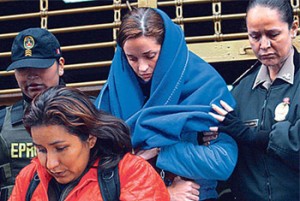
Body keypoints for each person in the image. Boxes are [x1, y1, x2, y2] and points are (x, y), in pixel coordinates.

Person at [95, 7, 238, 201]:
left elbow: (222, 162)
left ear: (168, 49)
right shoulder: (112, 95)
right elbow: (96, 167)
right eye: (132, 58)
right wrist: (163, 193)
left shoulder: (206, 87)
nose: (142, 67)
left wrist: (160, 150)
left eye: (150, 56)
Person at [9, 86, 170, 200]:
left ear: (91, 138)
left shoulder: (131, 173)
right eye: (41, 150)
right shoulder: (29, 178)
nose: (50, 164)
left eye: (61, 148)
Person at [209, 0, 299, 200]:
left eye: (273, 35)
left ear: (293, 28)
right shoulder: (240, 91)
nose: (264, 45)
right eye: (255, 36)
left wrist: (250, 135)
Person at [0, 27, 65, 200]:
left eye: (39, 66)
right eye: (23, 69)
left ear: (60, 66)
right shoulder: (3, 122)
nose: (31, 75)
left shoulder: (90, 112)